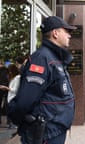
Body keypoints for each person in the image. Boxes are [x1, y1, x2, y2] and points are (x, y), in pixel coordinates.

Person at [7, 16, 76, 144]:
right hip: (45, 133)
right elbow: (26, 100)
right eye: (66, 31)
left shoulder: (53, 57)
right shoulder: (42, 58)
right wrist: (17, 119)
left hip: (55, 129)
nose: (69, 35)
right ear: (55, 33)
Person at [0, 64, 20, 128]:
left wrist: (6, 88)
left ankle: (13, 124)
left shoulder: (17, 78)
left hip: (13, 97)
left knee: (11, 111)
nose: (9, 73)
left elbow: (15, 90)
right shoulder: (13, 77)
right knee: (8, 110)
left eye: (10, 71)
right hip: (10, 97)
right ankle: (11, 124)